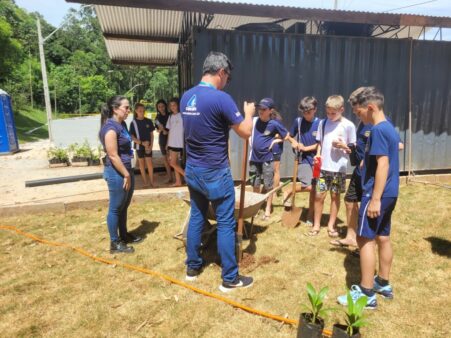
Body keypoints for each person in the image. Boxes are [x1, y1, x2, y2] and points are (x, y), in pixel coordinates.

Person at [180, 51, 255, 292]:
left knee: (197, 216)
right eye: (228, 77)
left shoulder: (186, 97)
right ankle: (230, 279)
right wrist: (250, 114)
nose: (227, 81)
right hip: (215, 170)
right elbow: (244, 131)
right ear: (221, 72)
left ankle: (192, 267)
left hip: (192, 168)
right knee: (225, 222)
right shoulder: (221, 98)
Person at [337, 87, 400, 309]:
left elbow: (383, 163)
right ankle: (382, 282)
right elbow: (382, 159)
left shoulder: (378, 131)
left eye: (359, 112)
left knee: (365, 239)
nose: (358, 117)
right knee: (383, 237)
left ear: (370, 108)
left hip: (377, 193)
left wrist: (374, 198)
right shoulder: (389, 128)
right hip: (391, 192)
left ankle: (366, 294)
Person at [99, 96, 143, 254]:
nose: (128, 110)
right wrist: (126, 175)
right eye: (126, 107)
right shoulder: (110, 128)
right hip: (117, 173)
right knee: (115, 208)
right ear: (115, 109)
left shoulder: (122, 124)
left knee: (124, 205)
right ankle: (114, 242)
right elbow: (112, 155)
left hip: (126, 170)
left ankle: (124, 235)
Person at [309, 95, 356, 237]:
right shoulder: (323, 123)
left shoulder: (348, 126)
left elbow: (352, 148)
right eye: (328, 112)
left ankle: (331, 225)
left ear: (341, 109)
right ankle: (316, 224)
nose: (330, 116)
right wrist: (318, 154)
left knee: (335, 196)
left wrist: (344, 146)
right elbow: (320, 143)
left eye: (333, 113)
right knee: (319, 195)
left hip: (338, 169)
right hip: (323, 168)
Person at [250, 98, 298, 220]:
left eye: (264, 109)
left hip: (267, 159)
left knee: (268, 185)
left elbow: (286, 135)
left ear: (270, 111)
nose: (260, 111)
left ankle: (267, 209)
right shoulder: (254, 121)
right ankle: (255, 209)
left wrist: (277, 140)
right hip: (254, 159)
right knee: (255, 185)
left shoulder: (274, 124)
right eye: (259, 108)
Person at [283, 96, 321, 226]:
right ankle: (290, 189)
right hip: (303, 159)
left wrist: (306, 148)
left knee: (316, 189)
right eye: (304, 112)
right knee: (310, 186)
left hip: (316, 160)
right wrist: (294, 142)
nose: (306, 115)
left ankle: (310, 215)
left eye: (308, 113)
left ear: (315, 109)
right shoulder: (298, 122)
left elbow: (320, 144)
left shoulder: (320, 123)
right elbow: (289, 136)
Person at [129, 103, 155, 187]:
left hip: (148, 147)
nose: (142, 112)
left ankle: (152, 182)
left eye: (143, 111)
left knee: (150, 164)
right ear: (136, 111)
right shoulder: (133, 123)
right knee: (141, 165)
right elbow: (132, 136)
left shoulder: (148, 121)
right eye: (140, 111)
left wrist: (151, 146)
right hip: (139, 146)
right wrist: (141, 143)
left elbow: (152, 134)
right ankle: (145, 183)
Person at [166, 97, 185, 187]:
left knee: (172, 163)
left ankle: (188, 178)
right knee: (174, 163)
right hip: (172, 143)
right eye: (171, 105)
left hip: (179, 143)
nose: (173, 107)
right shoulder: (170, 116)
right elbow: (169, 130)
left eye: (174, 105)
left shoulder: (182, 115)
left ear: (178, 105)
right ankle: (178, 181)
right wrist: (167, 143)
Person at [155, 99, 172, 183]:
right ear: (157, 108)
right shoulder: (157, 117)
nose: (161, 108)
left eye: (162, 106)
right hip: (162, 139)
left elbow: (173, 128)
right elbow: (157, 130)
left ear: (165, 106)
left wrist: (167, 131)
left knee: (172, 159)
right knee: (165, 159)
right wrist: (161, 130)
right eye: (159, 107)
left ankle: (177, 176)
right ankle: (169, 176)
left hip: (171, 139)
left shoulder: (170, 115)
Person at [269, 110, 284, 196]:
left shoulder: (277, 122)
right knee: (270, 170)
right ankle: (273, 188)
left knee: (276, 170)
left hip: (276, 149)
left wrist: (275, 136)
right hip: (268, 149)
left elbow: (283, 135)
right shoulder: (266, 121)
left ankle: (274, 192)